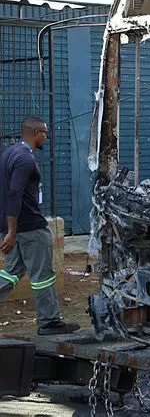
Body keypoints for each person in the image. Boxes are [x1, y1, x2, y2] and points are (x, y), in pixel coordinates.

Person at [0, 116, 79, 335]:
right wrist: (12, 232)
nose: (47, 136)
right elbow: (14, 193)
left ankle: (49, 320)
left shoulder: (9, 153)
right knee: (43, 276)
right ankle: (49, 322)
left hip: (14, 227)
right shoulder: (24, 160)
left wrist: (7, 230)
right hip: (29, 229)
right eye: (45, 133)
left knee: (12, 273)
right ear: (35, 134)